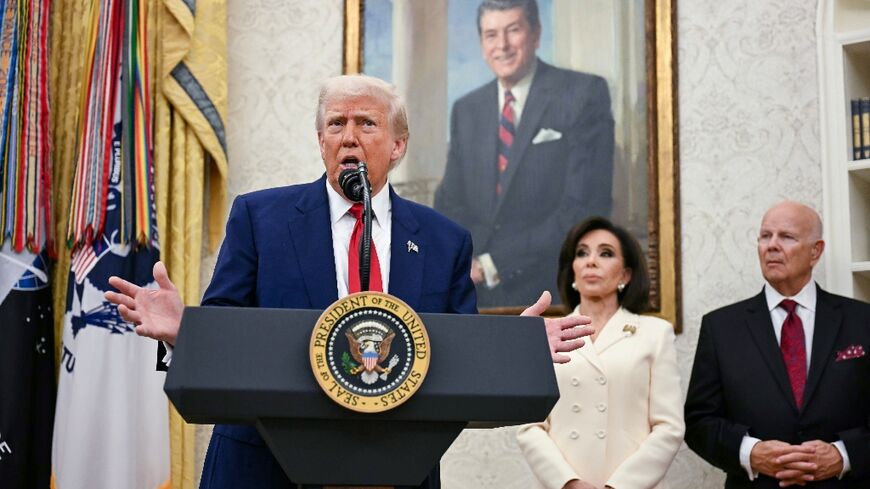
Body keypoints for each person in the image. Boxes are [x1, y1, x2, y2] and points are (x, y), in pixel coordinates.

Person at [105, 74, 593, 489]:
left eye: (366, 123)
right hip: (264, 463)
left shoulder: (445, 241)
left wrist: (513, 348)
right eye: (336, 124)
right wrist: (185, 331)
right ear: (321, 141)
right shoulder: (261, 218)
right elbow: (228, 329)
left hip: (394, 463)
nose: (349, 136)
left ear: (398, 145)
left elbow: (455, 351)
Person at [434, 0, 614, 308]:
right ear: (481, 43)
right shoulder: (467, 109)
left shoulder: (582, 93)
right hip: (475, 296)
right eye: (491, 34)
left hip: (551, 292)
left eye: (513, 30)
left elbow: (582, 207)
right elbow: (449, 201)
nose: (502, 45)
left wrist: (494, 263)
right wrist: (470, 262)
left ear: (536, 34)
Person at [684, 201, 870, 488]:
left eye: (787, 237)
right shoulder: (720, 327)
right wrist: (751, 453)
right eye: (765, 236)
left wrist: (843, 455)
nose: (771, 245)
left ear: (815, 251)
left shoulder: (862, 320)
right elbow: (699, 422)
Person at [517, 217, 684, 489]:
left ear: (625, 275)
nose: (591, 261)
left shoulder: (655, 334)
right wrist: (569, 483)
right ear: (572, 271)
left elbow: (669, 428)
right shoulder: (545, 336)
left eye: (605, 253)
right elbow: (529, 426)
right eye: (582, 253)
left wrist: (617, 486)